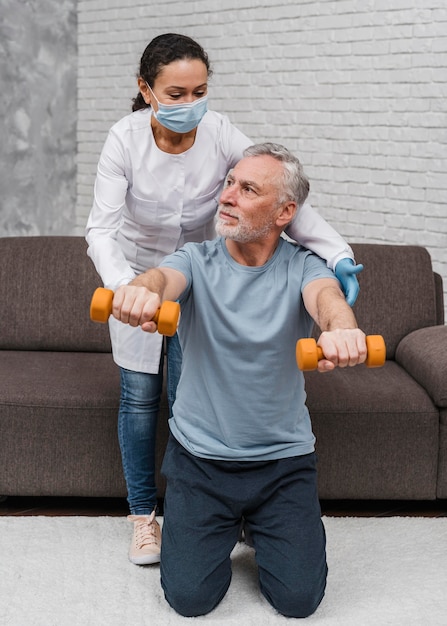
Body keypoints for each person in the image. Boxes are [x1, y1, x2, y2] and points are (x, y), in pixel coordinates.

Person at [85, 33, 363, 566]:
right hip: (143, 277)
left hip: (203, 273)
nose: (191, 105)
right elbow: (102, 229)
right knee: (141, 397)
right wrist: (127, 291)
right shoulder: (123, 140)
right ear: (145, 89)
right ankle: (144, 517)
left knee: (193, 395)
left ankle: (214, 514)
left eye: (200, 91)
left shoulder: (219, 131)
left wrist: (337, 253)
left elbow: (279, 193)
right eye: (176, 93)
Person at [111, 142, 368, 618]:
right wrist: (139, 292)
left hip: (283, 464)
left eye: (247, 188)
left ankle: (255, 522)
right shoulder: (196, 258)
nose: (227, 196)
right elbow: (161, 280)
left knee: (299, 601)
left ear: (284, 212)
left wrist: (343, 328)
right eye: (229, 183)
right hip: (200, 462)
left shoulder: (303, 265)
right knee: (190, 600)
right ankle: (225, 521)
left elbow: (328, 298)